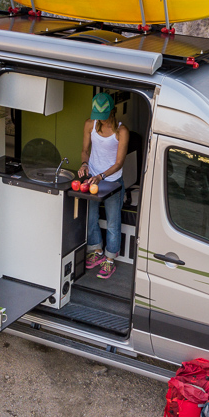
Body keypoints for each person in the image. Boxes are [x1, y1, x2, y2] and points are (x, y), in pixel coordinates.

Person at [79, 92, 129, 279]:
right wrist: (84, 164)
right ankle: (96, 250)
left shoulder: (121, 132)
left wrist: (101, 176)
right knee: (91, 217)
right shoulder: (89, 125)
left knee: (113, 222)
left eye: (103, 116)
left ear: (113, 112)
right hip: (92, 178)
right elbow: (85, 150)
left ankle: (110, 259)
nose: (99, 120)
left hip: (112, 181)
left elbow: (119, 163)